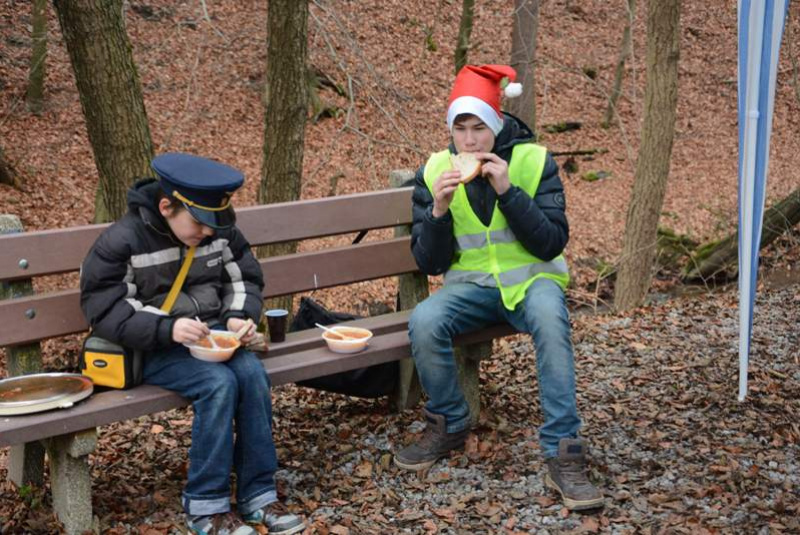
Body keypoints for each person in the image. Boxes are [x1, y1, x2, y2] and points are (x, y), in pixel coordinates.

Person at [393, 65, 604, 511]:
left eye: (479, 128)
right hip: (470, 287)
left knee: (550, 319)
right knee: (425, 319)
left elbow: (550, 242)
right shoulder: (434, 171)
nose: (469, 141)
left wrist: (508, 191)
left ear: (497, 124)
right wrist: (438, 211)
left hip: (532, 282)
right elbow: (429, 262)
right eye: (460, 129)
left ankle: (563, 449)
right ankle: (450, 422)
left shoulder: (532, 161)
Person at [80, 153, 306, 534]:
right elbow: (104, 307)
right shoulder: (123, 240)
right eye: (199, 223)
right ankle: (206, 506)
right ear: (167, 206)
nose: (207, 232)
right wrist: (167, 329)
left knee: (251, 375)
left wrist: (239, 316)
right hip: (151, 347)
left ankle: (258, 494)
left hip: (212, 337)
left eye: (213, 224)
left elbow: (245, 280)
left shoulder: (219, 232)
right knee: (217, 385)